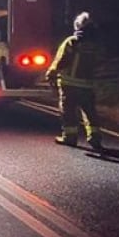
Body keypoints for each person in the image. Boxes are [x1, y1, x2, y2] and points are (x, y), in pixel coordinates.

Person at [46, 11, 103, 151]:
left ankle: (70, 138)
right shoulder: (95, 45)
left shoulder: (72, 42)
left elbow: (61, 60)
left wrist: (51, 74)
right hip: (88, 85)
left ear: (78, 26)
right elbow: (99, 63)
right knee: (90, 112)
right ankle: (95, 138)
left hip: (69, 85)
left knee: (68, 112)